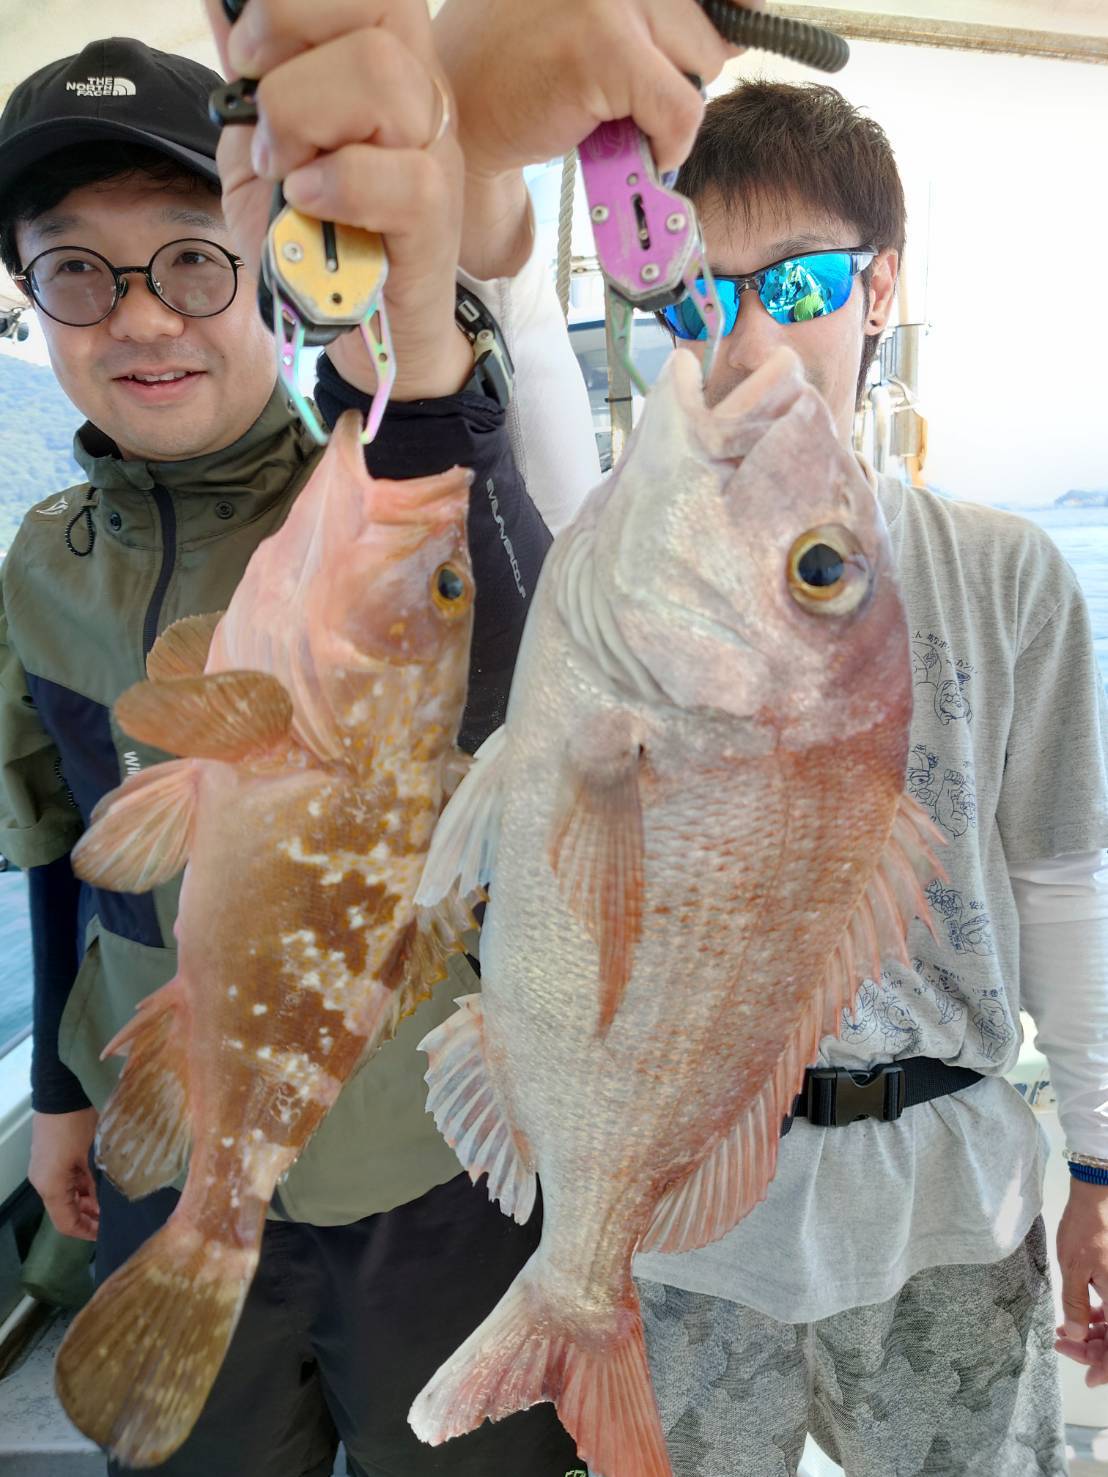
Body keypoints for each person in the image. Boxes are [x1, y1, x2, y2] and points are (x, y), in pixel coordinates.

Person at [0, 2, 743, 1473]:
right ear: (31, 300)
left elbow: (429, 444)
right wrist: (64, 1098)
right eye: (76, 271)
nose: (141, 315)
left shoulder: (374, 481)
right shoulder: (39, 565)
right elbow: (57, 840)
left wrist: (427, 236)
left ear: (273, 258)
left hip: (424, 1171)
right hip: (186, 1140)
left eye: (194, 256)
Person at [616, 81, 1108, 1475]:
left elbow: (1061, 882)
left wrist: (1095, 1160)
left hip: (947, 1196)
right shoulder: (614, 581)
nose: (749, 334)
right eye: (701, 295)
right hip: (690, 1204)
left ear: (879, 287)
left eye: (799, 284)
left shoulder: (1008, 574)